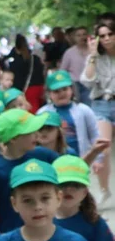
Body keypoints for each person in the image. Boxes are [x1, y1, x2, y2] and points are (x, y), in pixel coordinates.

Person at [0, 108, 59, 232]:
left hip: (46, 229)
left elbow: (70, 171)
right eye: (30, 131)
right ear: (13, 139)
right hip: (12, 233)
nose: (37, 134)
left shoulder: (44, 155)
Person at [39, 70, 107, 164]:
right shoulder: (43, 113)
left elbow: (94, 135)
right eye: (56, 91)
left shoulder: (84, 110)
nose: (61, 93)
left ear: (72, 89)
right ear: (49, 94)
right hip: (52, 161)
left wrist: (98, 158)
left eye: (65, 89)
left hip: (80, 160)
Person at [80, 21, 115, 202]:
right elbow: (87, 80)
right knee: (103, 148)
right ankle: (104, 189)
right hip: (102, 104)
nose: (107, 38)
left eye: (110, 34)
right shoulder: (96, 57)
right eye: (102, 35)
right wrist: (92, 55)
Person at [53, 155, 115, 241]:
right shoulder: (43, 221)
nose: (69, 189)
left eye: (76, 185)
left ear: (85, 192)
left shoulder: (94, 221)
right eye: (62, 184)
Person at [2, 35, 46, 112]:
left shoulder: (15, 62)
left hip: (27, 90)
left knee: (31, 111)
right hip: (39, 88)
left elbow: (2, 62)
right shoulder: (35, 58)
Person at [60, 26, 93, 105]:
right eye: (78, 35)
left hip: (90, 84)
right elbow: (63, 70)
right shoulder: (69, 52)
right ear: (74, 38)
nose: (82, 37)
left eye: (84, 34)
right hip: (75, 84)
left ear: (88, 35)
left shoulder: (93, 50)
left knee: (89, 107)